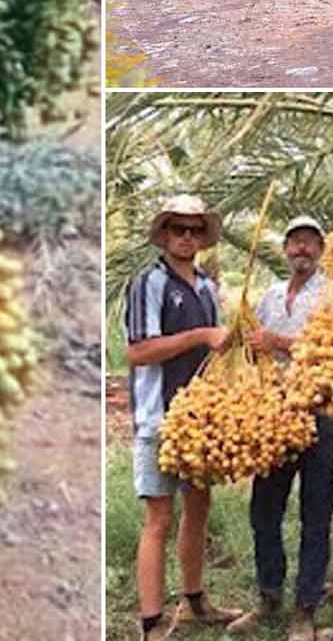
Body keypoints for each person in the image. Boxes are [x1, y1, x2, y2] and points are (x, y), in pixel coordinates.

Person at [124, 195, 242, 641]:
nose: (187, 237)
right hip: (160, 421)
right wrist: (199, 335)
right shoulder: (148, 284)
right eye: (179, 229)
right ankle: (152, 624)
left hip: (200, 421)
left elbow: (213, 351)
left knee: (199, 508)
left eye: (195, 230)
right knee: (158, 519)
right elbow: (136, 352)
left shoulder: (208, 289)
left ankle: (195, 602)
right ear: (165, 234)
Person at [227, 216, 333, 641]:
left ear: (321, 250)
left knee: (316, 512)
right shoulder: (271, 295)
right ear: (285, 250)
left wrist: (280, 344)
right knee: (265, 510)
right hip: (275, 414)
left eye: (310, 243)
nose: (302, 250)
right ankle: (268, 597)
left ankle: (305, 611)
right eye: (295, 243)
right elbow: (256, 346)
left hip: (321, 412)